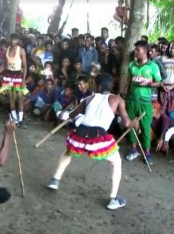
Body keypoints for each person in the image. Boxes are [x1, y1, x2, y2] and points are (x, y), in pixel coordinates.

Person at [47, 74, 139, 210]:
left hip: (81, 133)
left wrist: (71, 114)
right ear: (110, 86)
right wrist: (134, 123)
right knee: (116, 162)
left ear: (98, 86)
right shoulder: (118, 100)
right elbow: (126, 123)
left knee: (68, 152)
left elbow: (72, 115)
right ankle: (113, 199)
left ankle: (55, 179)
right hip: (98, 136)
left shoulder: (89, 98)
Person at [122, 40, 162, 165]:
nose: (136, 52)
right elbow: (128, 81)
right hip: (131, 100)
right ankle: (133, 149)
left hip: (145, 102)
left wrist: (148, 83)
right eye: (135, 49)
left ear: (145, 52)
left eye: (138, 50)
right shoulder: (132, 65)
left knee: (145, 128)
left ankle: (147, 152)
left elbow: (159, 82)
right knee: (131, 125)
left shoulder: (153, 66)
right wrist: (123, 94)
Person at [0, 33, 27, 128]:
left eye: (15, 39)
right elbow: (4, 64)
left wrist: (23, 80)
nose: (13, 41)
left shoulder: (21, 51)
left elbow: (25, 67)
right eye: (12, 39)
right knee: (11, 97)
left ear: (17, 40)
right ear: (10, 40)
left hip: (18, 75)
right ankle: (14, 118)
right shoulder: (6, 51)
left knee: (20, 97)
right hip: (8, 75)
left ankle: (20, 120)